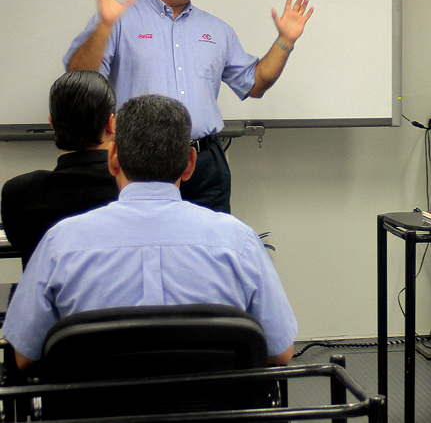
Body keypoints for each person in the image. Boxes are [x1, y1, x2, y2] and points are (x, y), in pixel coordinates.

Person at [3, 94, 298, 371]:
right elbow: (280, 352)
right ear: (190, 164)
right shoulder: (239, 242)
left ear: (113, 157)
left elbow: (25, 357)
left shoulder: (59, 243)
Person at [63, 0, 314, 213]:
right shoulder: (119, 20)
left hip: (204, 161)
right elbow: (79, 78)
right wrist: (106, 25)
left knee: (209, 250)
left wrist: (285, 41)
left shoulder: (217, 29)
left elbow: (256, 84)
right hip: (139, 160)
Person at [1, 70, 119, 268]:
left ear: (52, 124)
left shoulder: (19, 194)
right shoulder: (133, 189)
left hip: (50, 299)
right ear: (111, 123)